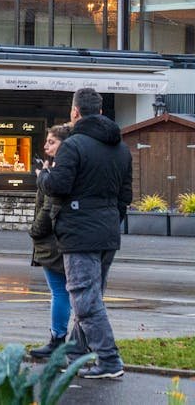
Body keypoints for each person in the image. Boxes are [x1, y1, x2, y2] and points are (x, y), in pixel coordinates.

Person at [38, 88, 132, 379]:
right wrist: (110, 218)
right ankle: (76, 354)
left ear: (75, 112)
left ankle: (109, 360)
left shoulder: (74, 145)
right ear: (101, 112)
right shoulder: (121, 148)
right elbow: (125, 196)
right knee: (91, 297)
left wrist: (43, 177)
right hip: (107, 231)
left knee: (85, 300)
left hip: (79, 232)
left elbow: (59, 186)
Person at [28, 124, 72, 360]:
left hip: (52, 240)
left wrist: (34, 231)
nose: (46, 146)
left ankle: (57, 339)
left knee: (59, 291)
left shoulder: (57, 171)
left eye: (52, 142)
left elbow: (48, 207)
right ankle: (67, 339)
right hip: (62, 237)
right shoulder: (61, 168)